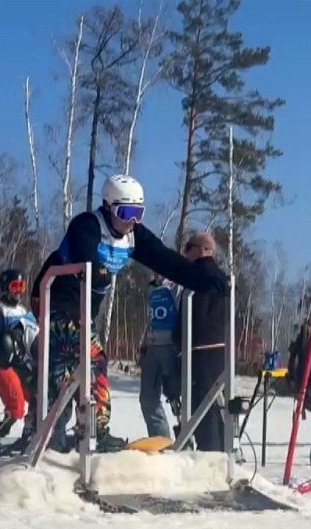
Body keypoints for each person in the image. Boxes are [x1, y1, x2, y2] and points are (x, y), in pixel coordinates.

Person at [30, 174, 227, 453]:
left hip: (85, 313)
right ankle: (78, 432)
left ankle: (66, 432)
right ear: (109, 207)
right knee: (90, 360)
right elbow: (82, 250)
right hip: (61, 306)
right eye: (126, 213)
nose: (131, 221)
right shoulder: (88, 224)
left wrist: (203, 278)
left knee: (72, 372)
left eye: (138, 213)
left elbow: (167, 261)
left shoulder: (135, 236)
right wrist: (94, 267)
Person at [169, 232, 229, 452]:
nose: (185, 253)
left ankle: (209, 461)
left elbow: (193, 316)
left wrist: (177, 341)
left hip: (199, 352)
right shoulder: (224, 279)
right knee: (220, 408)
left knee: (202, 412)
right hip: (223, 351)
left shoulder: (197, 277)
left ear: (202, 250)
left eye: (188, 248)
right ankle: (224, 455)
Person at [0, 268, 37, 439]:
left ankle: (31, 431)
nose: (19, 291)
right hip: (3, 364)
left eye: (22, 286)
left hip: (22, 363)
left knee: (39, 395)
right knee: (17, 407)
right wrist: (9, 344)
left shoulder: (23, 311)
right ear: (5, 287)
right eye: (15, 286)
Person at [138, 273, 179, 439]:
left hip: (171, 347)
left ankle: (187, 435)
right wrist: (143, 346)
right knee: (147, 397)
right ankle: (160, 438)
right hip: (153, 347)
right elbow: (150, 319)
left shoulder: (177, 285)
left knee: (176, 395)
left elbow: (183, 311)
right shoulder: (151, 288)